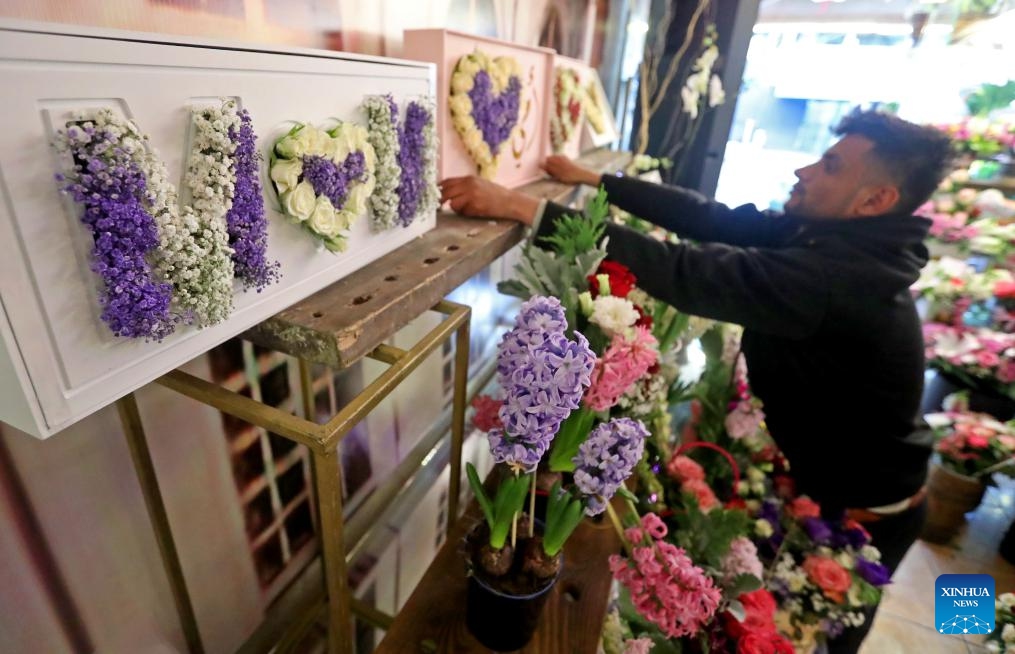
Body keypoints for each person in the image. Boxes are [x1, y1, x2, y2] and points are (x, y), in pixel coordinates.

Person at [440, 108, 954, 652]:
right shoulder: (839, 237)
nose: (805, 171)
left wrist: (522, 207)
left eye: (830, 166)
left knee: (813, 640)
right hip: (828, 483)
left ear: (874, 200)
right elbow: (715, 219)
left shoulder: (840, 279)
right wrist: (597, 180)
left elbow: (687, 272)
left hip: (869, 513)